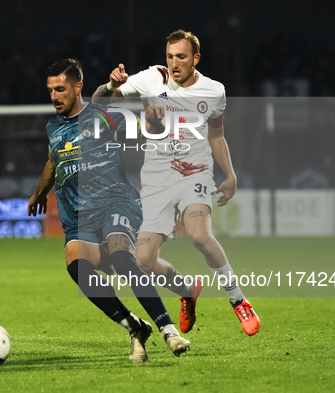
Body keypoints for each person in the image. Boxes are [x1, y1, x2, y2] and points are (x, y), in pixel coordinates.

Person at [92, 30, 260, 336]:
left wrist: (230, 175)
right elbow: (102, 102)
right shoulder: (152, 78)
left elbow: (216, 136)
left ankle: (238, 299)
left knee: (199, 236)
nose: (173, 63)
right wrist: (113, 85)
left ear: (196, 58)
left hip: (194, 174)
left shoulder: (214, 91)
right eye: (170, 56)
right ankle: (187, 290)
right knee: (142, 261)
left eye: (181, 57)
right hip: (156, 180)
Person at [28, 58, 190, 363]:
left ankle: (169, 330)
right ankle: (134, 327)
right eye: (50, 90)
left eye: (60, 89)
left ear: (78, 88)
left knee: (121, 255)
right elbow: (53, 160)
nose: (53, 96)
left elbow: (142, 133)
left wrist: (153, 124)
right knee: (77, 266)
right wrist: (39, 192)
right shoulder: (54, 127)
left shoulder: (104, 115)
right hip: (78, 215)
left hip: (115, 201)